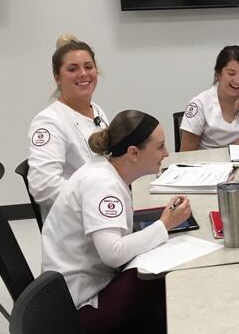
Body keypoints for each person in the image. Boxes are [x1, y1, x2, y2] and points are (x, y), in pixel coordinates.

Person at [41, 110, 191, 333]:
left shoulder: (104, 169)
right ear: (133, 153)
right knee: (170, 279)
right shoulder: (102, 184)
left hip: (84, 288)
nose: (166, 153)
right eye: (160, 147)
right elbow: (113, 253)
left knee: (163, 276)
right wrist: (165, 225)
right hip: (83, 308)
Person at [28, 34, 110, 218]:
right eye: (72, 69)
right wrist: (95, 196)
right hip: (76, 224)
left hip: (104, 211)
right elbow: (42, 186)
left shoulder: (96, 110)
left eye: (88, 67)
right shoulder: (49, 123)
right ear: (57, 77)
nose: (83, 74)